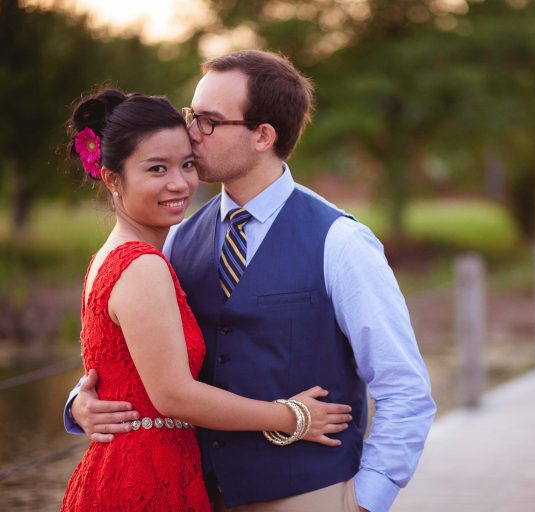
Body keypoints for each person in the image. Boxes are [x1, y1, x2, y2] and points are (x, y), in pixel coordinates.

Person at [65, 50, 436, 512]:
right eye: (191, 116)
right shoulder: (177, 238)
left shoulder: (340, 241)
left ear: (262, 136)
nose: (191, 133)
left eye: (208, 121)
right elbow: (137, 347)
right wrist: (81, 403)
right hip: (198, 492)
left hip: (310, 494)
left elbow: (404, 388)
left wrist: (365, 500)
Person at [60, 89, 352, 512]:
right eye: (157, 168)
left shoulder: (117, 255)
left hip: (150, 465)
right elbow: (174, 395)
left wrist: (77, 404)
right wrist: (293, 417)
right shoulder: (141, 265)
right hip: (146, 478)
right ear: (112, 178)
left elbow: (122, 370)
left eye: (187, 164)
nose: (179, 183)